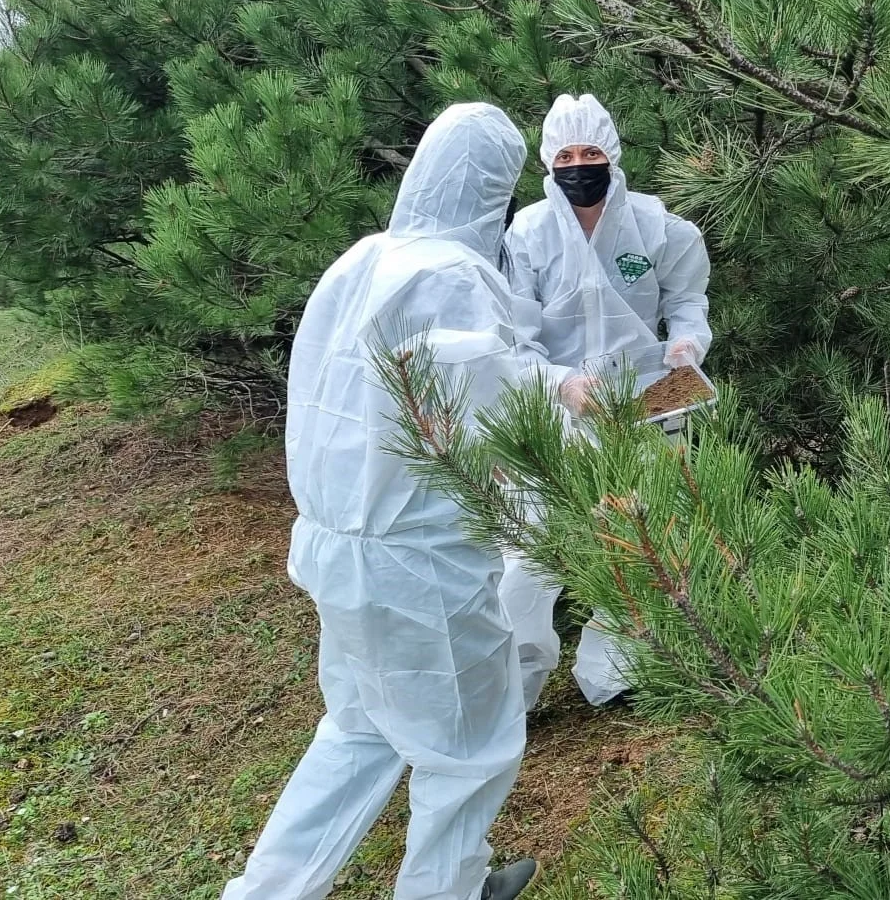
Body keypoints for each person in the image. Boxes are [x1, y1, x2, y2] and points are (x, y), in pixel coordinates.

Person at [223, 103, 586, 900]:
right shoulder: (451, 277)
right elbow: (481, 394)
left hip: (332, 544)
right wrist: (569, 395)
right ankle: (449, 891)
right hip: (416, 561)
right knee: (469, 749)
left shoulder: (359, 261)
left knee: (358, 732)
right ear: (496, 188)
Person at [500, 93, 713, 706]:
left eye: (590, 151)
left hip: (645, 402)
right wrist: (559, 384)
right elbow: (517, 335)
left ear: (612, 155)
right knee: (529, 543)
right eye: (564, 155)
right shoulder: (529, 234)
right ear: (547, 162)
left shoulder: (657, 226)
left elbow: (687, 302)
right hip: (558, 407)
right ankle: (513, 690)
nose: (578, 165)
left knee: (637, 530)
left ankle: (617, 674)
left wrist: (686, 347)